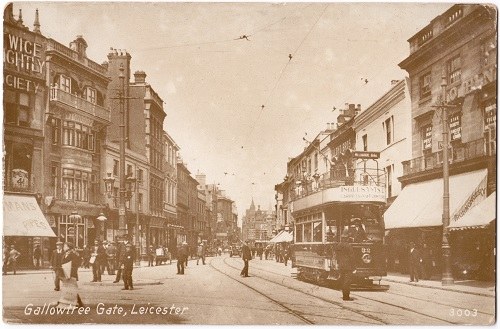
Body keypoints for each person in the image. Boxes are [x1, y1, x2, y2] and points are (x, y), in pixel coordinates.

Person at [57, 242, 83, 308]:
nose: (63, 247)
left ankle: (76, 303)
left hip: (71, 273)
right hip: (65, 272)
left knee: (72, 288)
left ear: (68, 247)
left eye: (65, 246)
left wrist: (71, 267)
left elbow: (77, 263)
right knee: (68, 288)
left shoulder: (73, 254)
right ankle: (76, 303)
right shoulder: (65, 253)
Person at [334, 229, 355, 301]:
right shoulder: (349, 246)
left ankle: (344, 295)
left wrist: (338, 263)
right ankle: (346, 297)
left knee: (343, 280)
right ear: (347, 238)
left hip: (341, 266)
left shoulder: (338, 246)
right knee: (347, 282)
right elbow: (352, 257)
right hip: (348, 266)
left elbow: (336, 256)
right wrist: (354, 267)